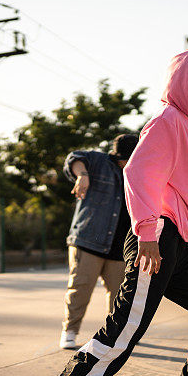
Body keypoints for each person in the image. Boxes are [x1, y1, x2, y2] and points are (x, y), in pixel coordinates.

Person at [19, 48, 188, 376]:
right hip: (155, 238)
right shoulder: (167, 121)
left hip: (174, 242)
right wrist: (146, 235)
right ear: (185, 84)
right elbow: (138, 175)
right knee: (122, 332)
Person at [59, 134, 139, 349]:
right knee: (80, 288)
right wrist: (82, 175)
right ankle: (70, 331)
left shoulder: (139, 171)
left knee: (120, 295)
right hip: (89, 240)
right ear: (116, 155)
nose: (126, 163)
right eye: (123, 159)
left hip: (121, 246)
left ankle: (114, 336)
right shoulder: (97, 162)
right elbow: (73, 158)